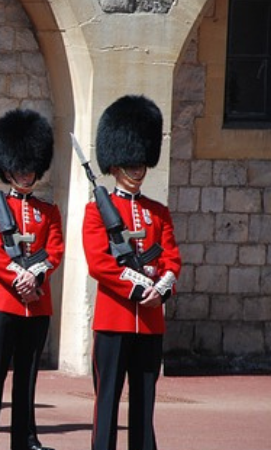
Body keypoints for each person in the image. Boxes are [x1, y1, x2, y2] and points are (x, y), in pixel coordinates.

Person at [82, 95, 181, 450]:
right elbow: (99, 262)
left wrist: (163, 288)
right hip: (114, 321)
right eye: (131, 163)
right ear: (116, 165)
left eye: (141, 162)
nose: (138, 169)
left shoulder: (158, 212)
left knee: (144, 403)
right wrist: (141, 288)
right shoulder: (98, 210)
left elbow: (172, 258)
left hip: (151, 321)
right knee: (107, 401)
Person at [0, 109, 65, 450]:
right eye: (20, 168)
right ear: (8, 168)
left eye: (30, 168)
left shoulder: (48, 211)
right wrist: (20, 278)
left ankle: (25, 438)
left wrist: (36, 274)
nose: (26, 174)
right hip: (4, 302)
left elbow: (54, 249)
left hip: (38, 304)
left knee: (27, 377)